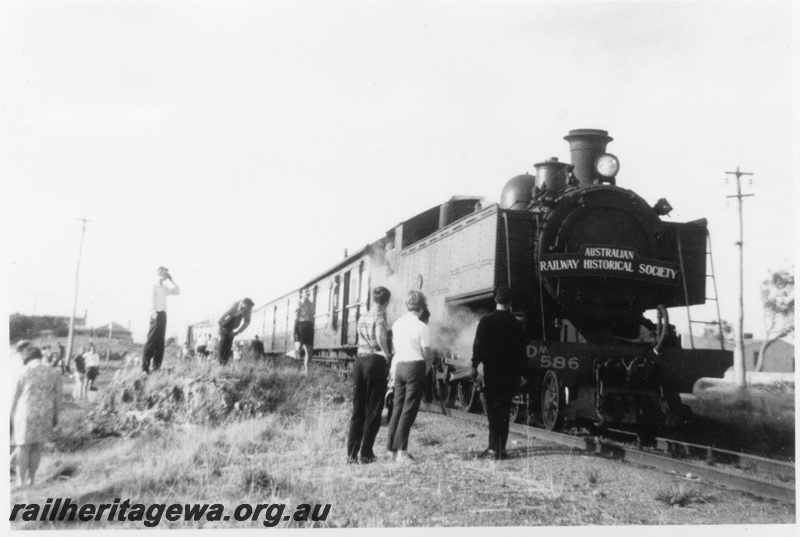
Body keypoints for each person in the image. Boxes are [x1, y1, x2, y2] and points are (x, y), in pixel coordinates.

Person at [471, 286, 526, 460]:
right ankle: (501, 449)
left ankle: (493, 449)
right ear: (510, 302)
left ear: (496, 300)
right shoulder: (516, 324)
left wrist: (474, 364)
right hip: (510, 373)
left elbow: (478, 346)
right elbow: (521, 351)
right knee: (505, 410)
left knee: (493, 410)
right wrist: (523, 373)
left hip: (492, 372)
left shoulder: (486, 321)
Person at [347, 287, 392, 464]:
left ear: (373, 299)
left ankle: (351, 455)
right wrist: (386, 353)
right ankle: (366, 453)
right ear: (386, 302)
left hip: (360, 361)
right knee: (373, 410)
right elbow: (381, 336)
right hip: (374, 361)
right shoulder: (380, 315)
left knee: (358, 410)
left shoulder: (363, 315)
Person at [386, 290, 432, 463]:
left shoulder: (397, 324)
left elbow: (394, 350)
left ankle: (390, 450)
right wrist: (425, 370)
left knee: (397, 408)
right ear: (421, 307)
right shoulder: (422, 327)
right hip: (415, 366)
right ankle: (402, 453)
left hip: (400, 366)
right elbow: (427, 354)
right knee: (409, 410)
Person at [10, 346, 62, 488]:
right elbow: (58, 398)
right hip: (45, 414)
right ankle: (31, 479)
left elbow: (14, 396)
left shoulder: (24, 371)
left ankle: (20, 481)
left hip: (25, 413)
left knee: (23, 447)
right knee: (36, 448)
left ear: (27, 358)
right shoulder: (54, 372)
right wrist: (57, 418)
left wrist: (9, 415)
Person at [142, 266, 180, 374]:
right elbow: (150, 300)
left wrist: (172, 281)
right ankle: (145, 368)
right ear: (159, 274)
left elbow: (177, 291)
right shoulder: (153, 285)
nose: (165, 276)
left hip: (163, 315)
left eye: (167, 274)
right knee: (151, 341)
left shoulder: (164, 288)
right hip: (155, 314)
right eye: (164, 274)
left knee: (160, 343)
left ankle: (156, 368)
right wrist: (153, 314)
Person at [217, 298, 255, 365]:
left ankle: (224, 363)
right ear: (243, 304)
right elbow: (220, 318)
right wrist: (221, 328)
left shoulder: (248, 311)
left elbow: (247, 323)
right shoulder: (233, 306)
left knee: (229, 343)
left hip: (233, 326)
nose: (249, 310)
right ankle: (220, 362)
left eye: (250, 309)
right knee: (223, 341)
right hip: (223, 324)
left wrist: (237, 332)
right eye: (248, 308)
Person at [293, 289, 315, 374]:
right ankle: (295, 368)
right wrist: (294, 330)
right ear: (301, 293)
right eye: (306, 291)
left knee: (309, 351)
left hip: (309, 326)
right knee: (298, 349)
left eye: (308, 291)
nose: (308, 293)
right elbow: (295, 318)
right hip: (301, 326)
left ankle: (306, 372)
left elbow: (312, 316)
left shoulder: (311, 304)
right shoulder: (299, 303)